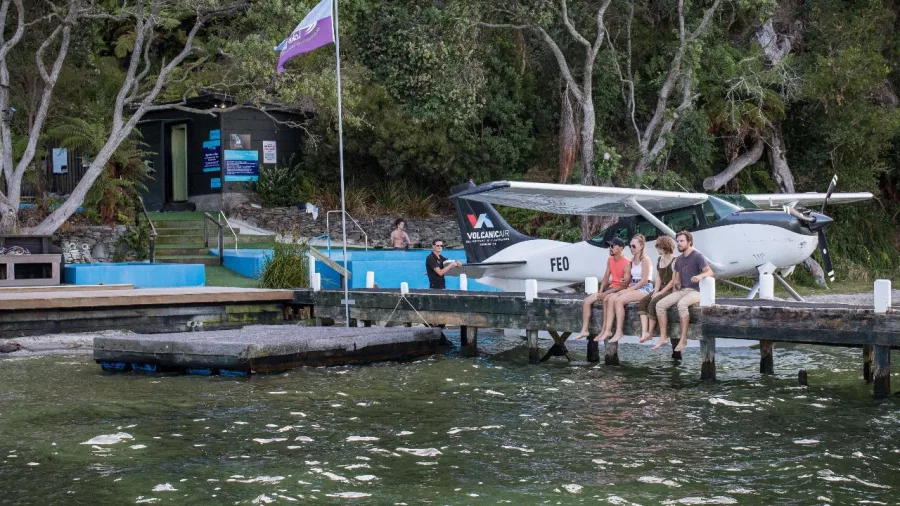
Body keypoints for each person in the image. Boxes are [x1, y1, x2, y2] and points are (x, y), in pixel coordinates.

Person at [653, 230, 713, 352]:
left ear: (689, 242)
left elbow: (710, 271)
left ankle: (683, 339)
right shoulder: (679, 260)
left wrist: (700, 276)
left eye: (682, 241)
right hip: (683, 290)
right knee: (659, 305)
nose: (679, 243)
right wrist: (674, 291)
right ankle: (663, 337)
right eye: (678, 241)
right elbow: (676, 280)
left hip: (697, 291)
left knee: (682, 304)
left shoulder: (698, 256)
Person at [574, 237, 630, 340]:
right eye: (609, 246)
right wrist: (600, 291)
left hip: (619, 290)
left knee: (605, 300)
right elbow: (606, 277)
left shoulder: (627, 263)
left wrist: (606, 293)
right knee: (586, 301)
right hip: (610, 288)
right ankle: (584, 330)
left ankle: (605, 330)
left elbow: (624, 285)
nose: (610, 248)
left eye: (612, 246)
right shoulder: (610, 260)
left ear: (621, 248)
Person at [605, 234, 654, 343]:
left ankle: (619, 331)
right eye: (630, 246)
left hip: (644, 288)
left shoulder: (646, 260)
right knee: (611, 298)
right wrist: (624, 280)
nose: (631, 248)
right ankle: (607, 330)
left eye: (634, 246)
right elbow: (631, 277)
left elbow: (644, 280)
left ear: (641, 246)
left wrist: (629, 290)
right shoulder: (632, 260)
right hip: (633, 286)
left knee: (619, 300)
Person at [637, 236, 677, 344]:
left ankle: (650, 333)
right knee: (643, 302)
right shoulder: (660, 259)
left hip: (669, 290)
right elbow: (659, 277)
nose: (657, 250)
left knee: (654, 302)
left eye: (658, 247)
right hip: (660, 288)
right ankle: (644, 331)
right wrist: (655, 291)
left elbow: (673, 281)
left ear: (664, 247)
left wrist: (660, 292)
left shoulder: (674, 260)